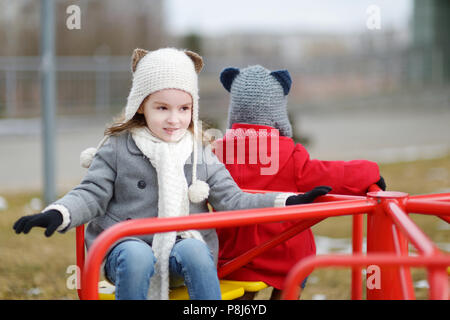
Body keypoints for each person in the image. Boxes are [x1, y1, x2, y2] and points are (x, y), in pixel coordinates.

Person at [13, 49, 331, 300]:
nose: (174, 120)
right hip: (125, 252)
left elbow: (233, 199)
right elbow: (91, 194)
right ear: (141, 106)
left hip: (177, 253)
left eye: (184, 109)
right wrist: (59, 212)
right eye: (162, 108)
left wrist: (288, 201)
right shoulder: (117, 149)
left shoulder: (198, 151)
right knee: (137, 254)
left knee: (195, 249)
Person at [215, 65, 386, 299]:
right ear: (277, 113)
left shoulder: (216, 153)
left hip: (232, 255)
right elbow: (331, 174)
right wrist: (369, 172)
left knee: (240, 284)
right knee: (298, 264)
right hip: (281, 254)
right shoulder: (288, 154)